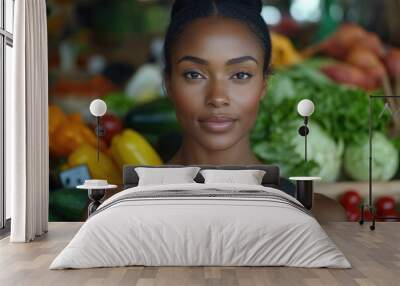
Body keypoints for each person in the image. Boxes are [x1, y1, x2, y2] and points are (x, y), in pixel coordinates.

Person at [162, 0, 346, 222]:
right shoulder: (118, 214)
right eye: (194, 75)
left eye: (240, 75)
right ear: (168, 83)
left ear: (264, 85)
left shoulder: (322, 218)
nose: (218, 97)